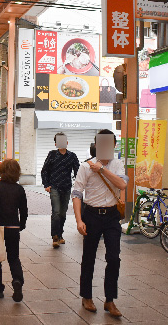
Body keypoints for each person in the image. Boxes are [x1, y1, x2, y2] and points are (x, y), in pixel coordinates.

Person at [71, 129, 128, 318]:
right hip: (92, 214)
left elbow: (122, 185)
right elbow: (77, 194)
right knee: (89, 256)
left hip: (112, 216)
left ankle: (110, 300)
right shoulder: (85, 167)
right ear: (96, 145)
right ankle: (86, 296)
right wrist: (79, 220)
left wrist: (102, 169)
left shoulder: (118, 164)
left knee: (114, 258)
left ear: (113, 145)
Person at [0, 159, 28, 302]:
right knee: (14, 257)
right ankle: (17, 280)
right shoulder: (19, 189)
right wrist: (21, 224)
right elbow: (24, 210)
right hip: (13, 228)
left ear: (1, 171)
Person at [40, 132, 79, 248]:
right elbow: (44, 170)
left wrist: (79, 185)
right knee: (56, 212)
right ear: (56, 143)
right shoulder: (52, 155)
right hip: (54, 187)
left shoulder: (72, 156)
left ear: (67, 142)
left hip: (66, 187)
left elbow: (78, 172)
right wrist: (46, 184)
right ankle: (55, 237)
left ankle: (60, 234)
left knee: (62, 213)